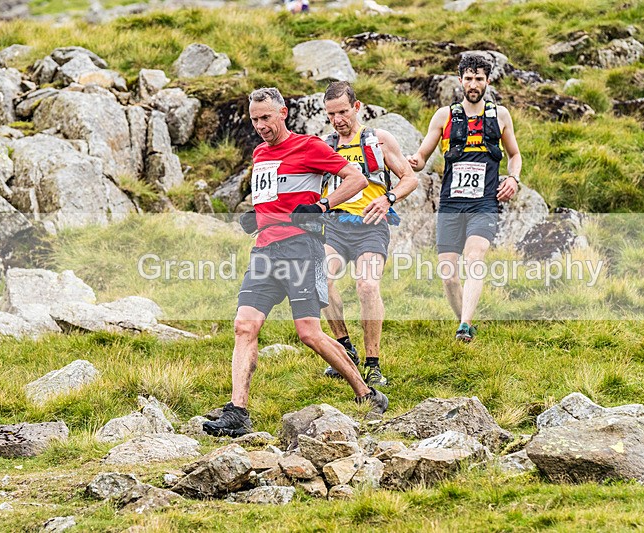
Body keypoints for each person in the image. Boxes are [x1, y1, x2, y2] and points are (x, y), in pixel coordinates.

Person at [203, 87, 388, 437]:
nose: (260, 126)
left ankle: (366, 392)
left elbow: (357, 179)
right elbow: (272, 200)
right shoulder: (259, 154)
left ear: (283, 113)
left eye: (266, 118)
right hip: (264, 251)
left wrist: (322, 206)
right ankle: (238, 412)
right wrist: (254, 218)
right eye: (254, 119)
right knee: (244, 326)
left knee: (308, 333)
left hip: (302, 249)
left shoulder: (310, 146)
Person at [408, 54, 522, 342]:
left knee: (474, 257)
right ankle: (465, 321)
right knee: (448, 276)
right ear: (460, 80)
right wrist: (412, 162)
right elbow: (423, 156)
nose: (473, 84)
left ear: (488, 81)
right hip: (450, 203)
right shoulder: (444, 116)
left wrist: (513, 178)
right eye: (468, 78)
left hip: (484, 202)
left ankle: (464, 327)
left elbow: (514, 155)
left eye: (479, 79)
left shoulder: (500, 115)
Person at [319, 81, 419, 387]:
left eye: (343, 112)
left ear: (357, 107)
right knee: (319, 279)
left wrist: (388, 198)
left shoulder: (378, 140)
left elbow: (409, 178)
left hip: (371, 227)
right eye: (332, 114)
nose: (338, 120)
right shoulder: (326, 145)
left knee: (366, 286)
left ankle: (373, 364)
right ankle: (344, 348)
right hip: (335, 227)